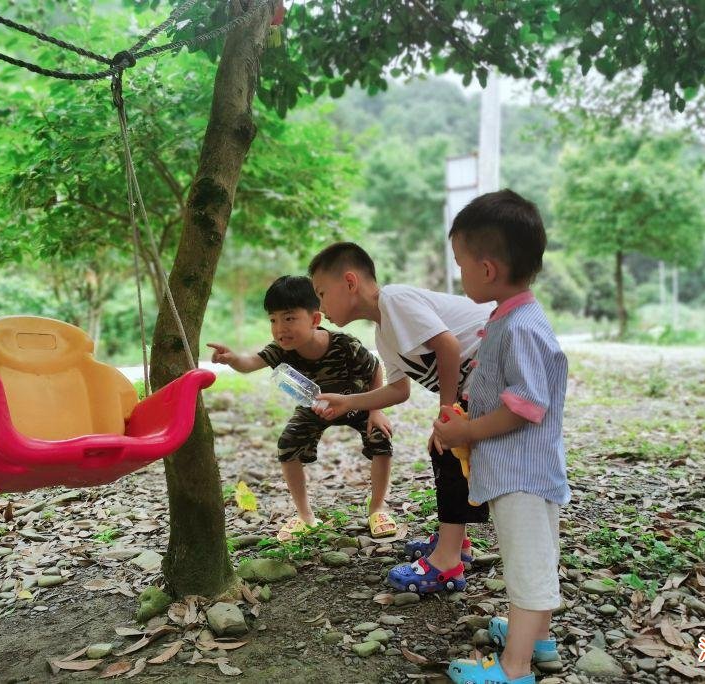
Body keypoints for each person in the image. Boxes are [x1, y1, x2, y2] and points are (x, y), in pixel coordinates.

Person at [433, 189, 569, 684]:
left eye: (461, 264)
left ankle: (514, 670)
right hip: (524, 470)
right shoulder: (508, 318)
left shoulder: (521, 327)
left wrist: (467, 429)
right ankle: (538, 640)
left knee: (528, 569)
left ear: (487, 269)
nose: (460, 274)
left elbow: (527, 406)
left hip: (523, 476)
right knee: (537, 558)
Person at [308, 243, 494, 594]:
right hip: (478, 381)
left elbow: (449, 346)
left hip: (495, 366)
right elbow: (398, 390)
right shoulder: (384, 332)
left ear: (350, 282)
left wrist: (446, 411)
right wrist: (347, 401)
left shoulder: (394, 300)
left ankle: (447, 562)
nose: (320, 307)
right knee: (447, 450)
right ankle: (456, 543)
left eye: (321, 293)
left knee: (448, 448)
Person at [207, 275, 397, 541]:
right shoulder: (280, 350)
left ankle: (377, 508)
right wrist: (232, 358)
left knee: (380, 437)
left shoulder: (345, 345)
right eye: (273, 320)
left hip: (356, 401)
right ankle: (305, 516)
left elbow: (376, 369)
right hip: (315, 406)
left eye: (289, 318)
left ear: (315, 319)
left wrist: (376, 411)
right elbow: (250, 363)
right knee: (288, 444)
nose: (279, 328)